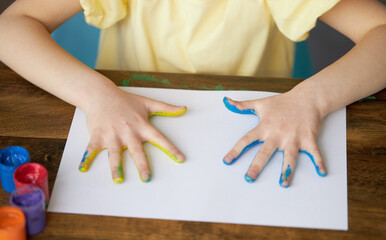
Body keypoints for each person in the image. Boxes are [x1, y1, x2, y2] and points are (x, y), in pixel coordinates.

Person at [0, 0, 385, 187]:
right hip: (121, 113)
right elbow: (12, 26)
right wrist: (95, 94)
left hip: (258, 121)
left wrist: (313, 99)